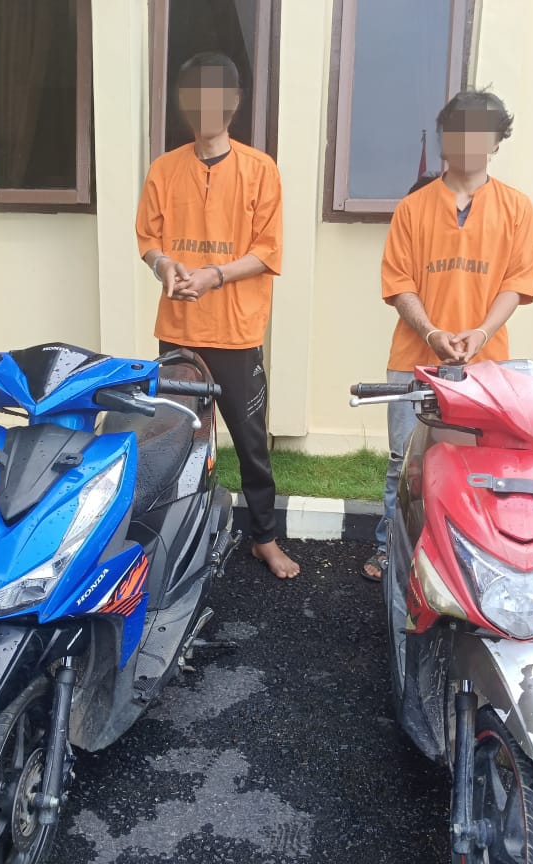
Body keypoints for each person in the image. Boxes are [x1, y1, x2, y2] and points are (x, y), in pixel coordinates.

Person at [135, 51, 300, 581]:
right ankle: (175, 539)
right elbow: (149, 242)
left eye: (215, 93)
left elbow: (268, 251)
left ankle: (264, 539)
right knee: (176, 441)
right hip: (178, 331)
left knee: (251, 444)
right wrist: (165, 267)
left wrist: (214, 275)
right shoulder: (164, 169)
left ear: (233, 101)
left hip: (237, 333)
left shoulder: (260, 170)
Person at [363, 89, 533, 582]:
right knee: (405, 464)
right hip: (413, 360)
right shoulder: (413, 208)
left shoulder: (517, 209)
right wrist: (432, 331)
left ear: (497, 141)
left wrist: (480, 333)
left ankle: (466, 559)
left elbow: (516, 283)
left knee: (478, 466)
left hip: (486, 367)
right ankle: (390, 550)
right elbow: (399, 283)